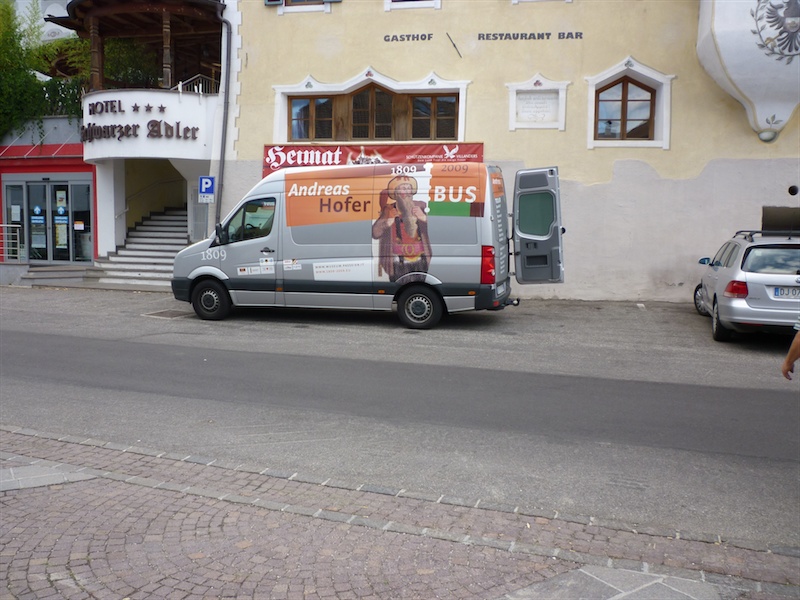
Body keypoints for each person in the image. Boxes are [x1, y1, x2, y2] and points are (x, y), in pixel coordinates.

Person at [372, 175, 432, 283]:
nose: (407, 192)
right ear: (396, 193)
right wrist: (387, 222)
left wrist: (424, 218)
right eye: (403, 188)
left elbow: (440, 229)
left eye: (409, 188)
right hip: (398, 263)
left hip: (421, 260)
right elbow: (375, 233)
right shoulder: (389, 210)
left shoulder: (421, 206)